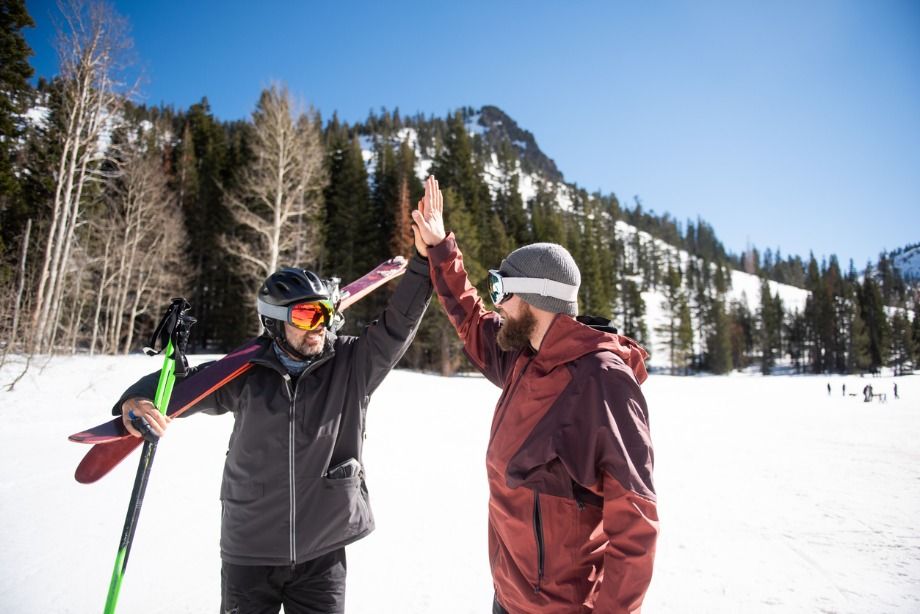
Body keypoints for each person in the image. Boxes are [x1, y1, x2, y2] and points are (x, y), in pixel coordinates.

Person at [114, 257, 432, 613]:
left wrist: (424, 261)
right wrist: (137, 400)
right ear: (274, 321)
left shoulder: (351, 363)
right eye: (306, 316)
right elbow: (185, 387)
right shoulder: (245, 372)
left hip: (321, 551)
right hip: (250, 551)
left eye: (324, 315)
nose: (319, 327)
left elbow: (397, 326)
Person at [411, 176, 658, 613]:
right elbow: (471, 318)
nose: (498, 303)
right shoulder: (522, 356)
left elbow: (635, 523)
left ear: (536, 297)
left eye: (503, 290)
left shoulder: (602, 381)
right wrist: (439, 249)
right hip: (507, 598)